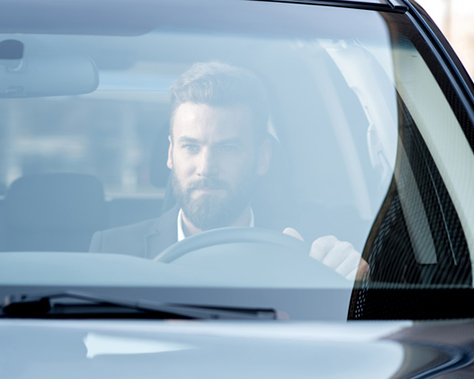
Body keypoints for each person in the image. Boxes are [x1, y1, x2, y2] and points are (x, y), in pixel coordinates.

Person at [89, 61, 366, 280]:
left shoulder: (312, 253)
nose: (206, 168)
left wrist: (359, 287)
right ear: (171, 153)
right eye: (191, 147)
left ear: (262, 158)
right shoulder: (114, 252)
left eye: (228, 148)